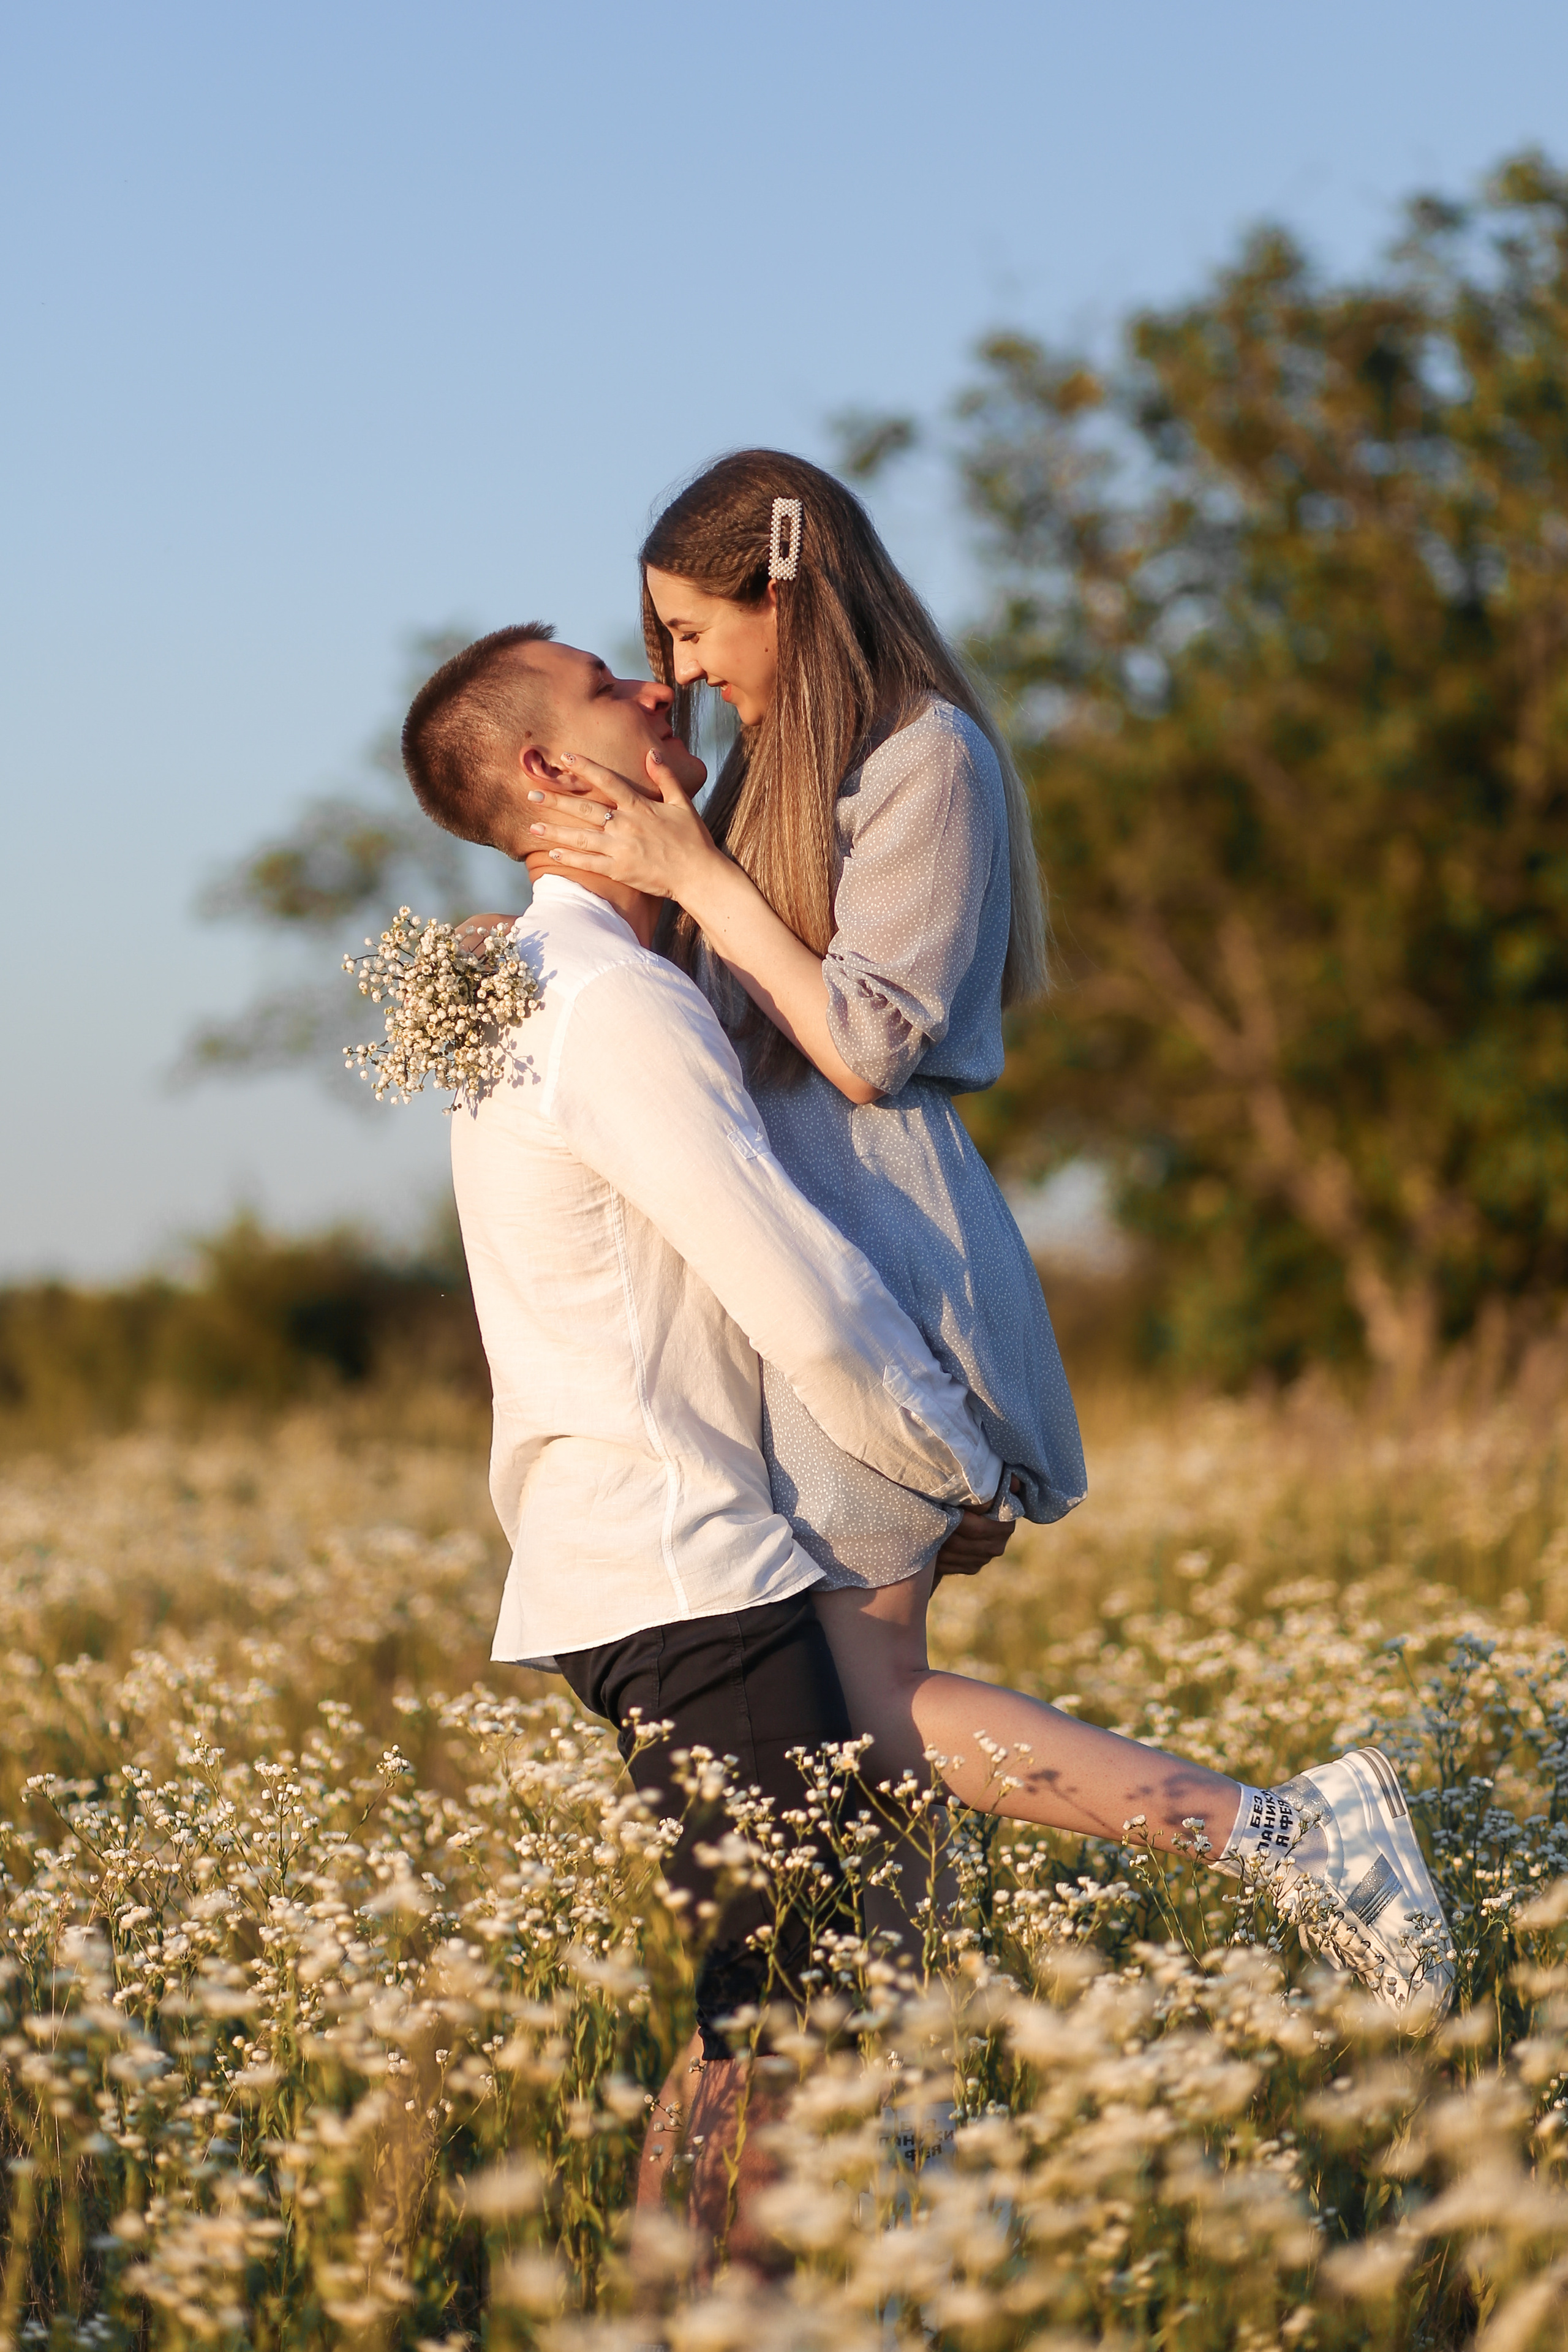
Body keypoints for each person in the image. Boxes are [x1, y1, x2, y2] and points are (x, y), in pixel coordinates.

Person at [504, 453, 1453, 2018]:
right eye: (654, 644)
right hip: (789, 1291)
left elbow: (870, 1044)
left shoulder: (926, 760)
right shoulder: (762, 778)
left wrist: (693, 875)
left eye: (688, 631)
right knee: (852, 1730)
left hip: (879, 1260)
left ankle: (1285, 1836)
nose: (676, 673)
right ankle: (913, 2075)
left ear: (783, 593)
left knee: (865, 1704)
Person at [401, 621, 1012, 2266]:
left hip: (645, 1565)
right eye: (612, 685)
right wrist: (954, 1452)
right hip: (690, 1566)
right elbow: (794, 1286)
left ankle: (683, 2303)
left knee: (758, 2008)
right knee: (787, 2021)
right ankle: (1272, 1833)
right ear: (548, 773)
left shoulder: (561, 981)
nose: (656, 686)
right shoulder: (605, 1007)